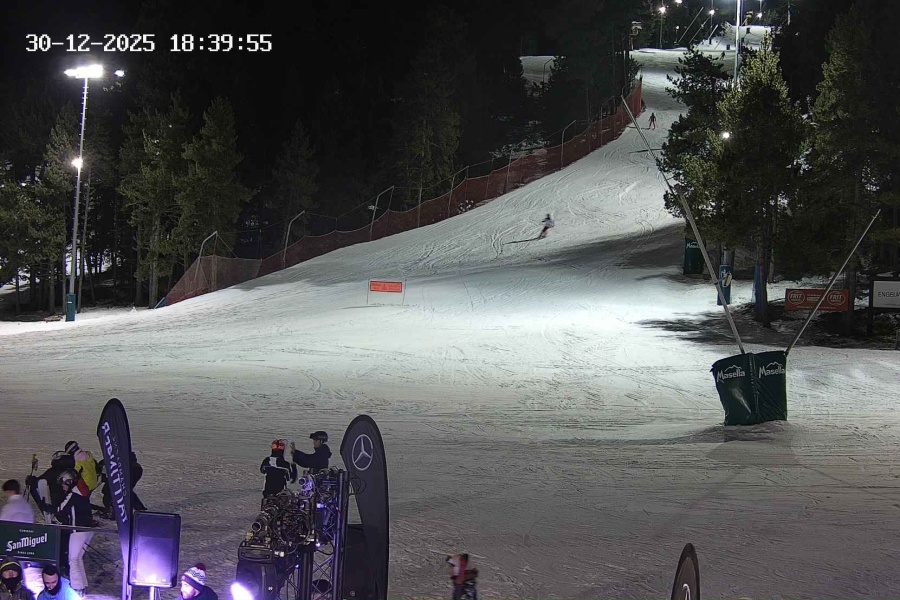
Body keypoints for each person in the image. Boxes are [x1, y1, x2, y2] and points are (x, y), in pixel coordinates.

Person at [49, 471, 94, 596]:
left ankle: (77, 588)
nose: (63, 487)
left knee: (73, 560)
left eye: (63, 484)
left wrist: (48, 507)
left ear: (69, 482)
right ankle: (82, 585)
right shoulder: (83, 492)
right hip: (88, 530)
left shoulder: (73, 494)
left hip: (78, 530)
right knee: (78, 559)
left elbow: (61, 509)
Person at [27, 451, 73, 524]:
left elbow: (39, 482)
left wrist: (31, 480)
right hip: (70, 510)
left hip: (58, 508)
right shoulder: (73, 472)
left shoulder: (54, 471)